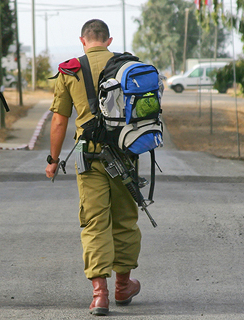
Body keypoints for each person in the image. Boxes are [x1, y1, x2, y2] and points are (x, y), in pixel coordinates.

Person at [45, 19, 142, 316]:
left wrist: (53, 160)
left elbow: (60, 120)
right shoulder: (127, 66)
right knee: (124, 219)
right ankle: (123, 285)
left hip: (87, 157)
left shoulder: (70, 70)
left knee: (94, 221)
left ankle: (99, 294)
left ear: (83, 41)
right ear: (109, 40)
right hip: (125, 154)